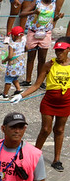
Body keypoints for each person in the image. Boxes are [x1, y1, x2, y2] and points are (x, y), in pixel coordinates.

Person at [11, 38, 70, 172]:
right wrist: (21, 95)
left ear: (68, 50)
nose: (59, 53)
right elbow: (37, 85)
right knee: (45, 129)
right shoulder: (49, 65)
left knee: (60, 130)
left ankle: (57, 159)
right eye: (57, 51)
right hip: (49, 102)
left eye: (62, 50)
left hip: (65, 103)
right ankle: (35, 154)